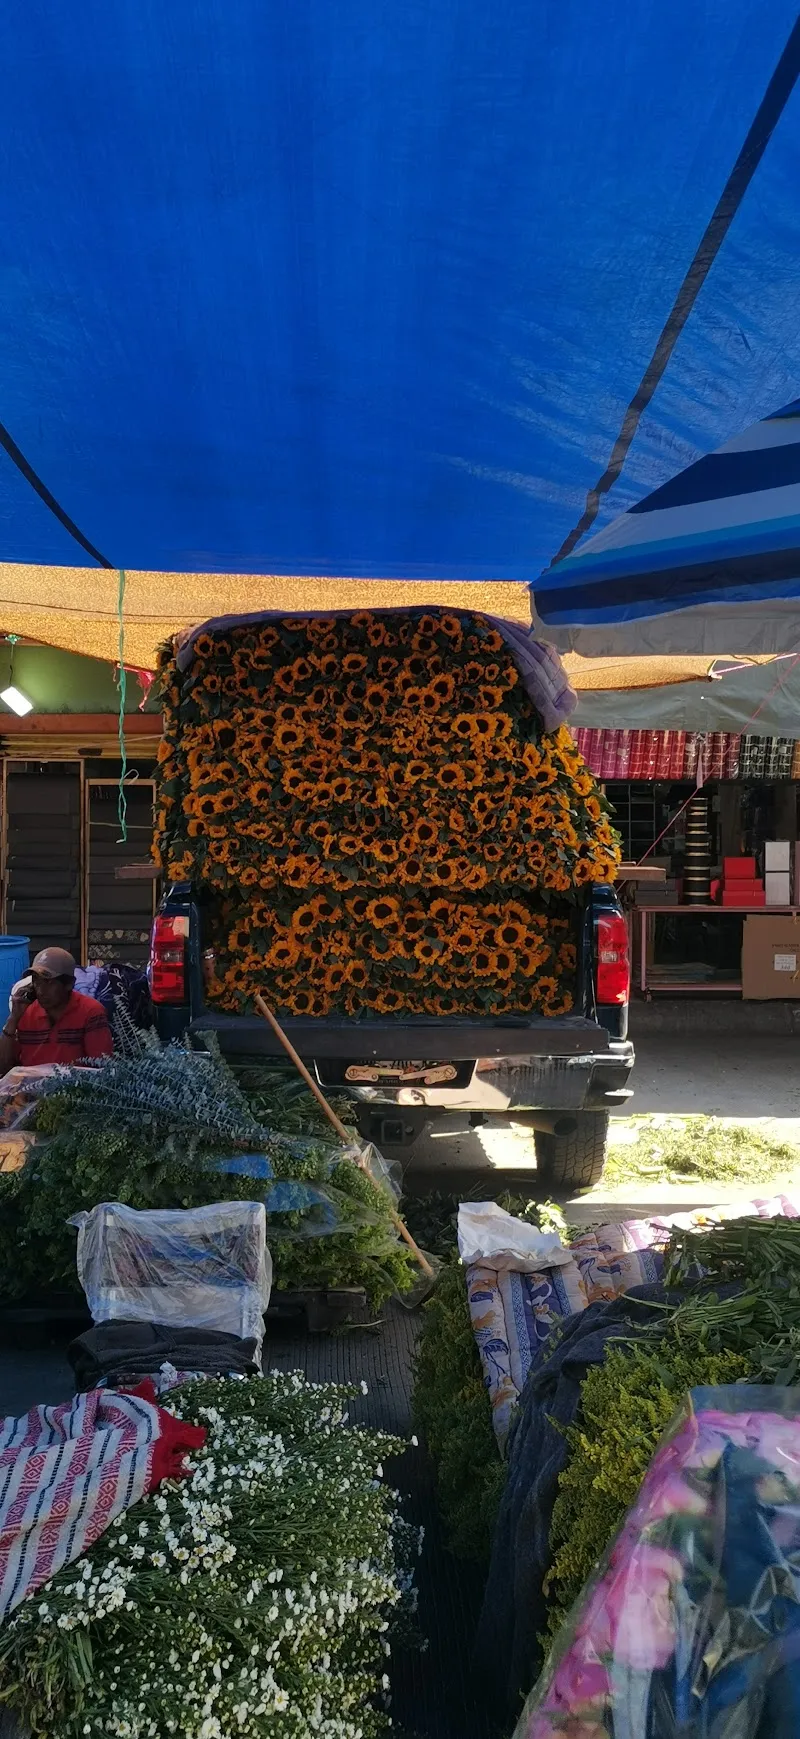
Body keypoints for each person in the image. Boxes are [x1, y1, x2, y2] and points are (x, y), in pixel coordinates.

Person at [0, 948, 113, 1075]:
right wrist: (13, 1018)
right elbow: (3, 1068)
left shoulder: (91, 1011)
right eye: (36, 981)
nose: (41, 991)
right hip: (29, 1090)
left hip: (73, 1090)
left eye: (49, 982)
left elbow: (103, 1071)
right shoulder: (25, 1012)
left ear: (69, 984)